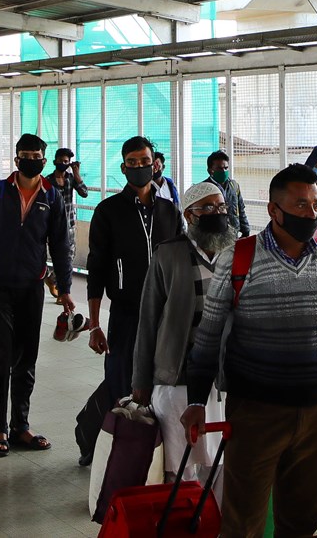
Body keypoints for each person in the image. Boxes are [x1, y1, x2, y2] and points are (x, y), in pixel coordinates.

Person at [182, 164, 317, 538]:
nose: (312, 213)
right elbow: (208, 337)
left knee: (304, 520)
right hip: (256, 414)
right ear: (274, 210)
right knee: (244, 523)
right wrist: (195, 400)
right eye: (301, 205)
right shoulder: (238, 258)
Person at [0, 133, 74, 458]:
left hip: (31, 288)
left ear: (44, 159)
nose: (31, 161)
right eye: (25, 156)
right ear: (16, 160)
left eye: (36, 156)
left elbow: (60, 245)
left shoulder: (51, 196)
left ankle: (20, 427)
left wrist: (65, 288)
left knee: (26, 360)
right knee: (0, 359)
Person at [78, 136, 185, 463]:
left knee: (160, 385)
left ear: (155, 165)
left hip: (165, 316)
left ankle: (151, 454)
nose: (139, 168)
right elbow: (96, 268)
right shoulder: (108, 211)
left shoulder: (169, 211)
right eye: (132, 163)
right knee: (120, 381)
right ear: (123, 168)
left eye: (145, 162)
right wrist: (95, 324)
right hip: (126, 313)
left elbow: (182, 260)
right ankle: (95, 440)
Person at [133, 181, 238, 493]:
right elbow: (148, 320)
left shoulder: (237, 253)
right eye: (209, 208)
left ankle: (215, 518)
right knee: (179, 466)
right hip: (176, 378)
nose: (218, 213)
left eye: (222, 207)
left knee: (220, 464)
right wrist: (141, 379)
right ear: (190, 215)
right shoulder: (168, 254)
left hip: (222, 380)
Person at [50, 147, 89, 265]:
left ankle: (64, 275)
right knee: (57, 255)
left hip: (69, 223)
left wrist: (77, 174)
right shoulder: (48, 181)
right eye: (60, 161)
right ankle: (57, 275)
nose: (63, 163)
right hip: (54, 225)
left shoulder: (70, 178)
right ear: (55, 161)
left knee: (69, 255)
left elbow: (84, 193)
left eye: (66, 161)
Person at [204, 150, 250, 236]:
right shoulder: (204, 188)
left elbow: (241, 209)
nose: (224, 171)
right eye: (219, 168)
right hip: (214, 235)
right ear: (210, 171)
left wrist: (246, 231)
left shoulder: (234, 186)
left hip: (233, 234)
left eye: (226, 168)